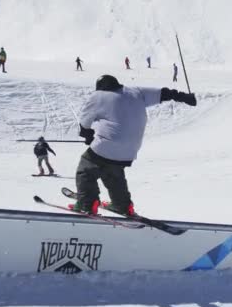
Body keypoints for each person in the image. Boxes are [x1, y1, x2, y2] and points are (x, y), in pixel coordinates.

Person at [71, 75, 196, 215]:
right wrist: (186, 97)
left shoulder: (97, 96)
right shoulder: (136, 92)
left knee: (86, 169)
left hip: (107, 145)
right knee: (113, 171)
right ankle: (122, 205)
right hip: (130, 149)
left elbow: (84, 125)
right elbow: (164, 93)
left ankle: (86, 203)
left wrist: (88, 137)